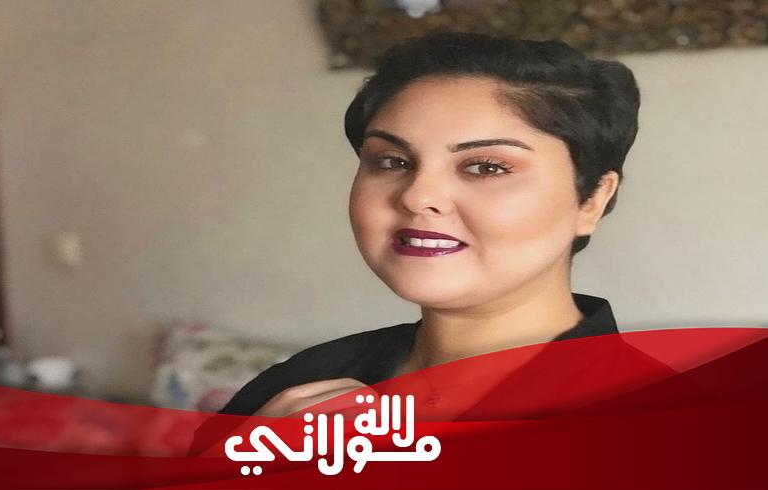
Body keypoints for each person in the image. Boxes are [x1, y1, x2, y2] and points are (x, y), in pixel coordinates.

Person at [217, 32, 641, 418]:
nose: (417, 196)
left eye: (486, 167)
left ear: (592, 199)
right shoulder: (297, 384)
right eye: (392, 161)